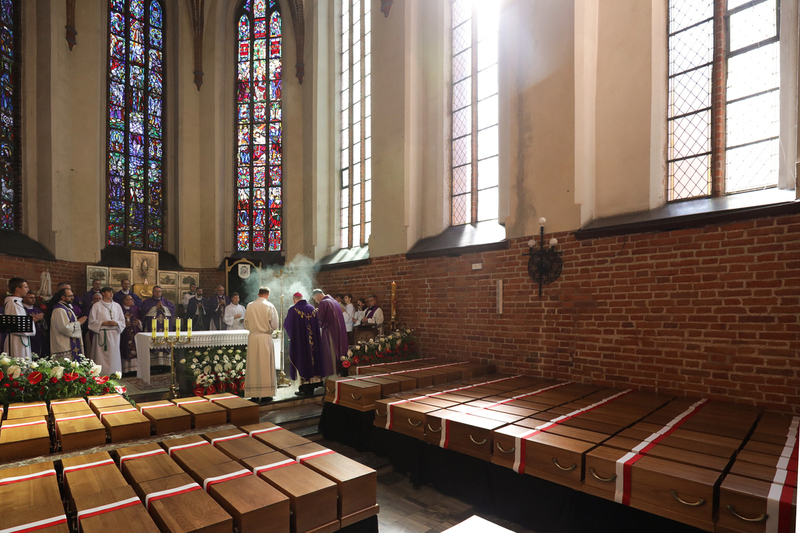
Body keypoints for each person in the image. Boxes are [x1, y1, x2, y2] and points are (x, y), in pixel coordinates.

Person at [283, 292, 323, 397]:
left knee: (302, 360)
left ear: (294, 300)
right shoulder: (312, 308)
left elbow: (287, 325)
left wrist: (293, 336)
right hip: (313, 341)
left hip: (300, 342)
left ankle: (304, 388)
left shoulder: (293, 310)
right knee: (313, 360)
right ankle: (312, 387)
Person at [244, 286, 278, 403]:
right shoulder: (269, 306)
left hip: (253, 337)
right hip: (265, 338)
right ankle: (266, 394)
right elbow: (274, 325)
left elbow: (246, 323)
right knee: (265, 365)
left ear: (258, 294)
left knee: (253, 365)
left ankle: (253, 394)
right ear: (267, 295)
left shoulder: (249, 305)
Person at [88, 287, 126, 375]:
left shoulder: (117, 306)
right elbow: (91, 322)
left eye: (112, 292)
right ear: (103, 293)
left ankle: (114, 374)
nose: (111, 294)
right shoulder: (96, 306)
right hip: (101, 334)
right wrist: (104, 323)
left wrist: (116, 323)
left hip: (114, 334)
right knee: (100, 356)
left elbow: (122, 321)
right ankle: (100, 375)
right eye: (109, 292)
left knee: (113, 356)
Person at [311, 289, 347, 378]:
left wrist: (314, 314)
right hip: (337, 331)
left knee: (330, 353)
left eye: (315, 299)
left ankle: (331, 376)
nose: (316, 301)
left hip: (329, 332)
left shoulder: (324, 302)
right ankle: (337, 373)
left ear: (318, 296)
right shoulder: (333, 301)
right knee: (336, 352)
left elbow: (321, 319)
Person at [3, 278, 35, 360]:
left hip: (22, 337)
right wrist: (31, 323)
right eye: (25, 287)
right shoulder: (13, 304)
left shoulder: (17, 302)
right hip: (16, 340)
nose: (28, 290)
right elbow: (16, 325)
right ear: (17, 288)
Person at [49, 288, 86, 359]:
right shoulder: (59, 310)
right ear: (63, 297)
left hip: (70, 345)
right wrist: (79, 322)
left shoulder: (67, 308)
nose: (73, 298)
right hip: (64, 346)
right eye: (70, 296)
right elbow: (64, 328)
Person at [120, 293, 142, 374]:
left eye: (132, 299)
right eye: (130, 299)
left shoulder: (135, 308)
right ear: (125, 301)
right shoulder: (120, 308)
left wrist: (138, 322)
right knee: (125, 348)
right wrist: (123, 323)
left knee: (134, 348)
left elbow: (140, 318)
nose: (132, 301)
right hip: (124, 333)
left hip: (135, 332)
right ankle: (125, 370)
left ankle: (134, 369)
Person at [22, 292, 48, 357]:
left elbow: (44, 324)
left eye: (34, 298)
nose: (33, 299)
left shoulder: (38, 310)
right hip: (28, 336)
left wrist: (42, 319)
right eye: (31, 298)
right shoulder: (22, 310)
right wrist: (33, 319)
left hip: (39, 335)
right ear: (24, 299)